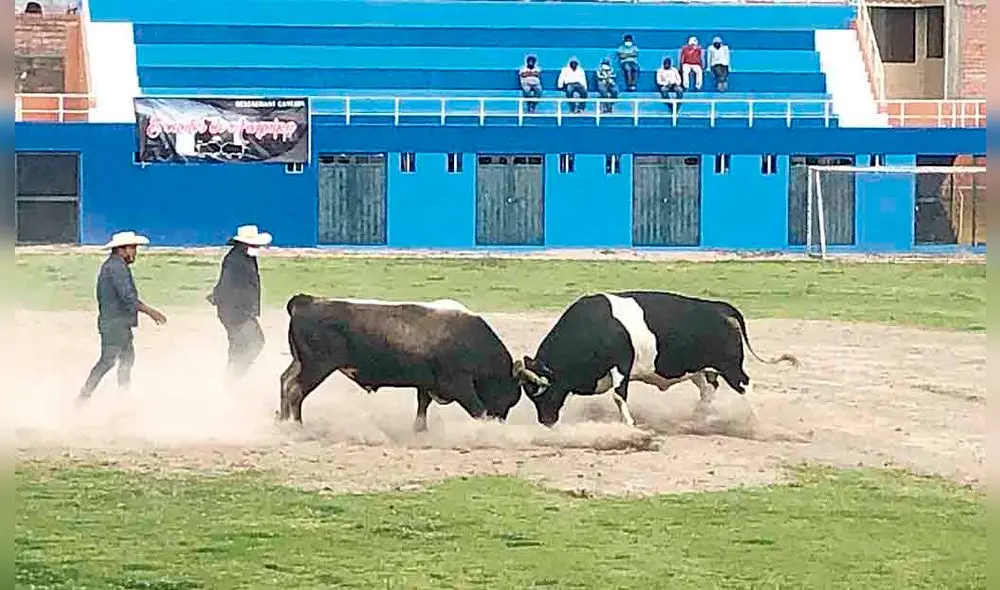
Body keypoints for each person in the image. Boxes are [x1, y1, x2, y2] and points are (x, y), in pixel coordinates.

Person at [78, 231, 167, 400]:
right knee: (109, 361)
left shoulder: (114, 266)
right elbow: (128, 297)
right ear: (121, 249)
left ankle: (119, 396)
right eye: (132, 248)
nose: (134, 252)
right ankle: (85, 395)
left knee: (124, 359)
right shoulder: (117, 268)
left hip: (116, 322)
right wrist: (151, 312)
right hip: (115, 323)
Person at [207, 224, 272, 378]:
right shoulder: (235, 260)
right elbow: (228, 286)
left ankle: (233, 376)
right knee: (252, 343)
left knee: (242, 345)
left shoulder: (243, 257)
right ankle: (233, 377)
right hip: (236, 311)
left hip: (238, 310)